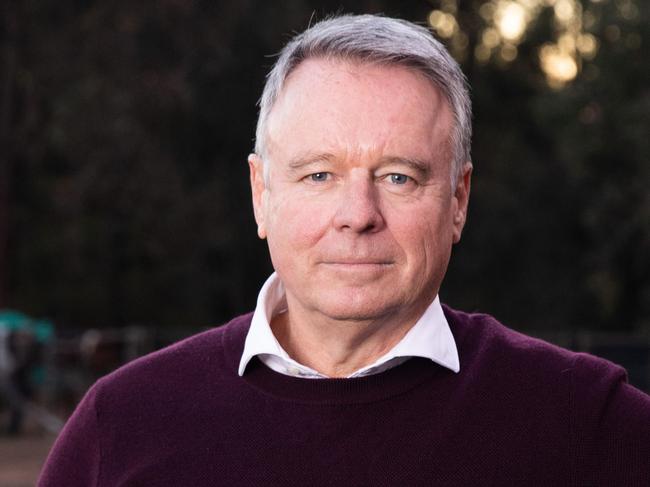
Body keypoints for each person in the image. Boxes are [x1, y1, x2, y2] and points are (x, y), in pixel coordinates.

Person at [39, 14, 650, 486]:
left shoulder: (589, 424)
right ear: (261, 194)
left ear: (458, 199)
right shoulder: (119, 426)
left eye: (399, 177)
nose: (358, 216)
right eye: (319, 176)